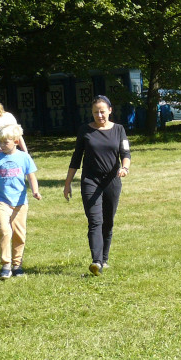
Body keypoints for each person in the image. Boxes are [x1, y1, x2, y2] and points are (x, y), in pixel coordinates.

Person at [64, 95, 131, 276]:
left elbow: (126, 152)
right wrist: (67, 183)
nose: (99, 115)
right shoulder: (85, 130)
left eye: (102, 111)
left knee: (107, 222)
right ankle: (96, 261)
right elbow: (76, 158)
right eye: (95, 112)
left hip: (112, 181)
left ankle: (104, 259)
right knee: (95, 221)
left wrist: (124, 168)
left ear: (110, 110)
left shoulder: (119, 130)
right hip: (90, 181)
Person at [0, 124, 41, 279]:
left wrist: (35, 191)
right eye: (1, 142)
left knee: (19, 234)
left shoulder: (24, 157)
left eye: (6, 142)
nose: (2, 145)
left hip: (20, 202)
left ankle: (17, 265)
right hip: (1, 200)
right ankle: (6, 264)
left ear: (16, 141)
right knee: (4, 230)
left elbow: (31, 176)